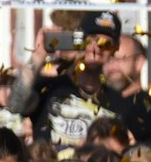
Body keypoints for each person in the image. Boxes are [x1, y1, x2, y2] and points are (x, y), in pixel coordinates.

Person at [7, 12, 127, 149]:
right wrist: (39, 55)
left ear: (116, 48)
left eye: (106, 43)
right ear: (77, 41)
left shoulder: (119, 102)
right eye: (90, 40)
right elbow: (15, 105)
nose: (96, 48)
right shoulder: (49, 88)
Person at [102, 34, 151, 144]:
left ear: (139, 62)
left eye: (120, 59)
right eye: (108, 59)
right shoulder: (94, 99)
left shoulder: (149, 108)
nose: (112, 66)